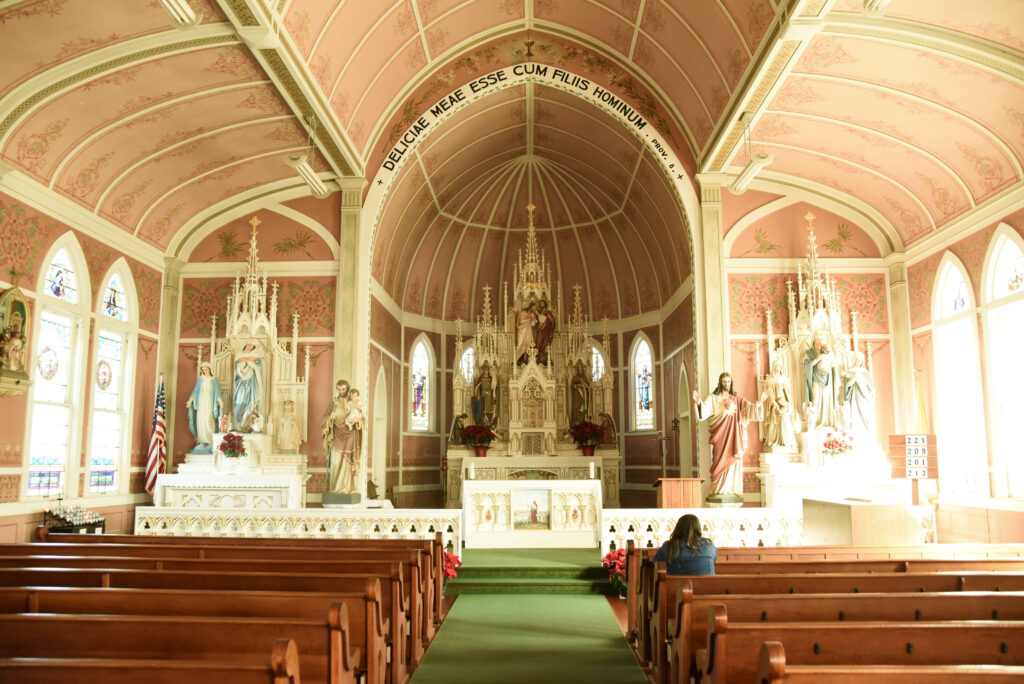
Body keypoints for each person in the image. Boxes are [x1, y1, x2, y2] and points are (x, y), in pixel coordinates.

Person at [693, 372, 764, 496]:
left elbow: (748, 409)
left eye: (729, 382)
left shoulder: (737, 399)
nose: (726, 384)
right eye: (724, 381)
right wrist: (699, 403)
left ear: (732, 383)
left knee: (733, 459)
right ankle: (718, 490)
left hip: (734, 437)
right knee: (718, 460)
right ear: (720, 382)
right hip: (720, 436)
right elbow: (703, 412)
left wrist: (758, 402)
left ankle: (731, 489)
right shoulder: (713, 398)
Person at [322, 379, 362, 494]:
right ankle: (336, 489)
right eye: (339, 389)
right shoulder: (334, 401)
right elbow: (324, 417)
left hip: (350, 434)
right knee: (335, 462)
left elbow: (361, 416)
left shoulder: (353, 400)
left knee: (348, 462)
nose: (341, 391)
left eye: (343, 389)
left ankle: (347, 488)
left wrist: (357, 421)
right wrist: (330, 417)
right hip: (337, 433)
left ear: (347, 389)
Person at [802, 333, 838, 429]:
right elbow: (807, 367)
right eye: (817, 340)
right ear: (813, 342)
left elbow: (834, 364)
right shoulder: (809, 353)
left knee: (826, 399)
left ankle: (826, 421)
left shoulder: (826, 352)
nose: (819, 342)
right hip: (816, 379)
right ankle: (814, 422)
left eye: (821, 340)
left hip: (827, 380)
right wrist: (818, 359)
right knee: (816, 399)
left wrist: (826, 357)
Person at [185, 362, 223, 450]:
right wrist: (190, 400)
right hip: (201, 403)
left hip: (210, 403)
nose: (205, 371)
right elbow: (195, 390)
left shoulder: (214, 379)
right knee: (201, 419)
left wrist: (220, 400)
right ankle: (202, 440)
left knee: (208, 419)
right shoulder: (200, 379)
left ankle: (210, 440)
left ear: (209, 369)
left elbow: (217, 392)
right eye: (203, 370)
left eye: (206, 369)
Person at [762, 360, 797, 449]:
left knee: (785, 420)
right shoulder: (770, 379)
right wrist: (775, 404)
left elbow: (788, 394)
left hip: (784, 403)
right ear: (773, 368)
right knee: (774, 421)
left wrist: (787, 404)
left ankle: (786, 441)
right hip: (774, 404)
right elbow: (770, 393)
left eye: (779, 367)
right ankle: (773, 440)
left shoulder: (784, 379)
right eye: (776, 366)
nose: (778, 368)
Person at [840, 351, 876, 436]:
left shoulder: (865, 372)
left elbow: (871, 388)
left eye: (859, 360)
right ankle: (854, 431)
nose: (857, 361)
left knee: (864, 414)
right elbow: (846, 387)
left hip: (863, 397)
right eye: (856, 359)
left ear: (862, 360)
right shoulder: (849, 372)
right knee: (853, 414)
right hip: (853, 396)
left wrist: (859, 378)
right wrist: (854, 378)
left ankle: (865, 432)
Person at [233, 342, 263, 431]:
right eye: (249, 345)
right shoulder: (238, 356)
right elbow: (235, 370)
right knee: (239, 402)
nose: (249, 347)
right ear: (245, 345)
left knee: (252, 402)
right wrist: (244, 362)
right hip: (240, 383)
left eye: (252, 346)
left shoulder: (255, 356)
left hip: (252, 383)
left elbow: (259, 368)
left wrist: (250, 362)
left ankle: (253, 426)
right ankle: (238, 424)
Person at [569, 361, 591, 426]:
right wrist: (577, 386)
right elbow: (572, 386)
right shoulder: (575, 378)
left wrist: (586, 387)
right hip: (577, 398)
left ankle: (585, 421)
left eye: (581, 370)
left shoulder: (585, 378)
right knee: (577, 410)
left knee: (584, 410)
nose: (580, 372)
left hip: (585, 398)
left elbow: (588, 387)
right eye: (579, 370)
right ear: (577, 371)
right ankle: (576, 424)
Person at [534, 299, 556, 364]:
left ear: (545, 304)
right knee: (538, 342)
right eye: (541, 303)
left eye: (543, 303)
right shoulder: (539, 312)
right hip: (540, 329)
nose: (542, 304)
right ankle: (537, 356)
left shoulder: (547, 312)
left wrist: (551, 328)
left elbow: (552, 321)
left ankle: (543, 356)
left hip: (546, 330)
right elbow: (536, 321)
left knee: (545, 343)